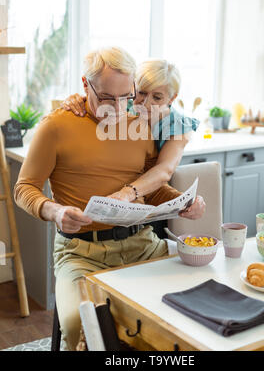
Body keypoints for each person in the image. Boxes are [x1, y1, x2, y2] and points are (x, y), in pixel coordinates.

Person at [14, 47, 206, 351]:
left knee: (192, 310)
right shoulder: (55, 126)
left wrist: (182, 201)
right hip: (81, 253)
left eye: (126, 97)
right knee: (80, 326)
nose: (118, 108)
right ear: (85, 84)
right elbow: (24, 188)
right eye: (106, 98)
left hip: (143, 245)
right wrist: (55, 210)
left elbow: (151, 187)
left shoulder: (139, 122)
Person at [63, 59, 200, 205]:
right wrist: (77, 100)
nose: (146, 103)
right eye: (141, 93)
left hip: (151, 193)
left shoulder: (178, 126)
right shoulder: (123, 104)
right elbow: (96, 103)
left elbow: (164, 170)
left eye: (157, 97)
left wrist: (127, 193)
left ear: (172, 98)